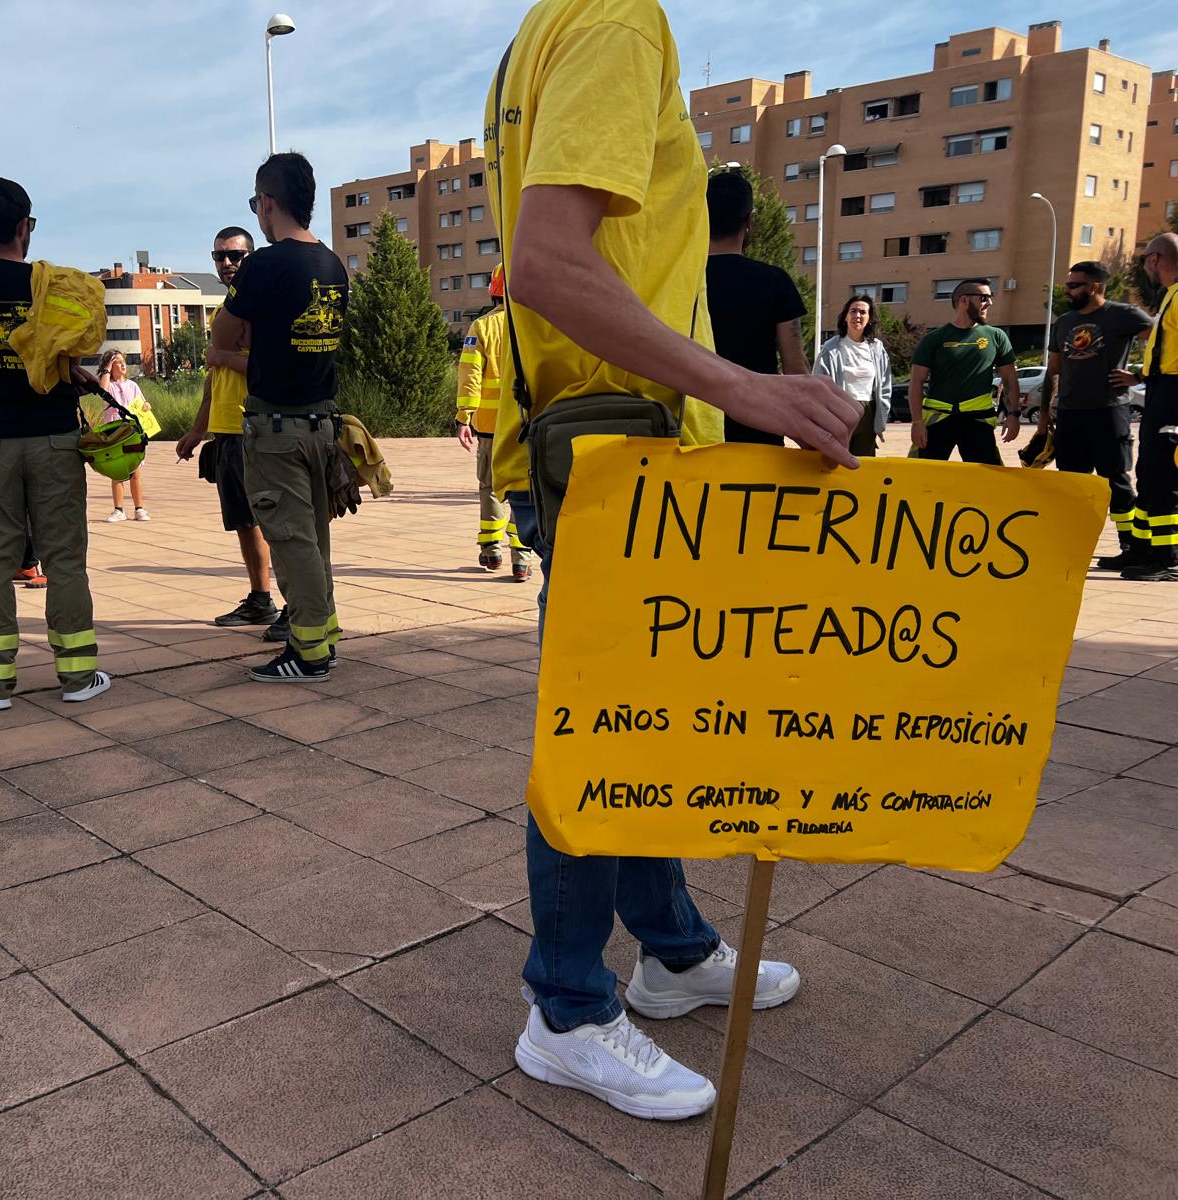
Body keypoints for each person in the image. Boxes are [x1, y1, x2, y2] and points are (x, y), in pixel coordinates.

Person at [489, 0, 860, 1120]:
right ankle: (564, 1008)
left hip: (611, 451)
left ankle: (666, 946)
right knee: (598, 736)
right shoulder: (614, 19)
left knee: (641, 722)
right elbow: (546, 264)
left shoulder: (544, 28)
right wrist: (744, 389)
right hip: (619, 458)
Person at [0, 177, 109, 708]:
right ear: (24, 226)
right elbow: (66, 354)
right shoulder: (55, 285)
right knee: (65, 562)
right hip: (55, 436)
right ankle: (78, 678)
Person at [210, 151, 349, 682]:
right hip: (322, 423)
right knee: (314, 540)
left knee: (291, 544)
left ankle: (309, 652)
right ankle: (323, 636)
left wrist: (249, 335)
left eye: (256, 204)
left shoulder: (267, 264)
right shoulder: (332, 264)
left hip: (276, 430)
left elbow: (222, 338)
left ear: (267, 203)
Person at [175, 226, 287, 635]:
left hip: (255, 427)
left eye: (235, 256)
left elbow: (268, 367)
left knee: (276, 522)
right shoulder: (228, 307)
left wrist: (221, 354)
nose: (227, 264)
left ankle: (298, 604)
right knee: (244, 521)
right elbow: (213, 376)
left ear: (250, 258)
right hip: (226, 430)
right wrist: (196, 429)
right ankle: (261, 600)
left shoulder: (261, 305)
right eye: (219, 256)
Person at [1037, 261, 1153, 569]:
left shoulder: (1122, 315)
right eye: (1068, 284)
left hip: (1108, 410)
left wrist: (1139, 376)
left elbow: (1164, 339)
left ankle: (1131, 546)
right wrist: (1044, 416)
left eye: (1075, 285)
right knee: (1073, 485)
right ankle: (1071, 546)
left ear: (1095, 287)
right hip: (1070, 414)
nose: (1068, 290)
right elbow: (1054, 370)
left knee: (1116, 482)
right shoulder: (1063, 322)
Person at [703, 169, 809, 444]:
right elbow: (795, 367)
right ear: (749, 221)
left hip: (694, 426)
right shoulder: (775, 282)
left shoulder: (681, 279)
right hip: (759, 426)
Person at [456, 266, 534, 581]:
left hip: (489, 425)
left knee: (489, 486)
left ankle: (491, 550)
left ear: (494, 289)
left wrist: (465, 416)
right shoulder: (532, 327)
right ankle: (522, 558)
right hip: (526, 422)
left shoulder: (482, 326)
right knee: (523, 486)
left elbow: (470, 374)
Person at [1114, 233, 1178, 581]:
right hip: (1160, 390)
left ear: (1154, 259)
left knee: (1167, 475)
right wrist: (1140, 376)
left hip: (1173, 397)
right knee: (1150, 473)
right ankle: (1141, 550)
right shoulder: (1172, 296)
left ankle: (1168, 558)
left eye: (1143, 261)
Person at [909, 279, 1021, 463]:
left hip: (978, 421)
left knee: (986, 480)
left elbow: (1009, 379)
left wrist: (1013, 414)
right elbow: (916, 382)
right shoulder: (933, 339)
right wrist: (917, 423)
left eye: (990, 297)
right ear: (964, 300)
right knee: (926, 478)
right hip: (938, 419)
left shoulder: (997, 336)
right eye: (984, 298)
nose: (990, 303)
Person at [812, 294, 892, 458]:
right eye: (853, 311)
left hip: (868, 413)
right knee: (836, 461)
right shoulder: (831, 348)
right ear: (845, 316)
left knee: (863, 465)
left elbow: (885, 385)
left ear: (869, 318)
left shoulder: (877, 348)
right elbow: (819, 385)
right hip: (840, 412)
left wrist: (881, 419)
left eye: (863, 312)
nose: (857, 316)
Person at [99, 351, 154, 521]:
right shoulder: (109, 385)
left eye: (124, 362)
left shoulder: (133, 385)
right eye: (118, 363)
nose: (123, 365)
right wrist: (107, 369)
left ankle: (139, 509)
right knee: (118, 472)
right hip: (115, 433)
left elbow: (142, 404)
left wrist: (146, 406)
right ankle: (118, 509)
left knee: (135, 471)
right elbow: (102, 391)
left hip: (132, 433)